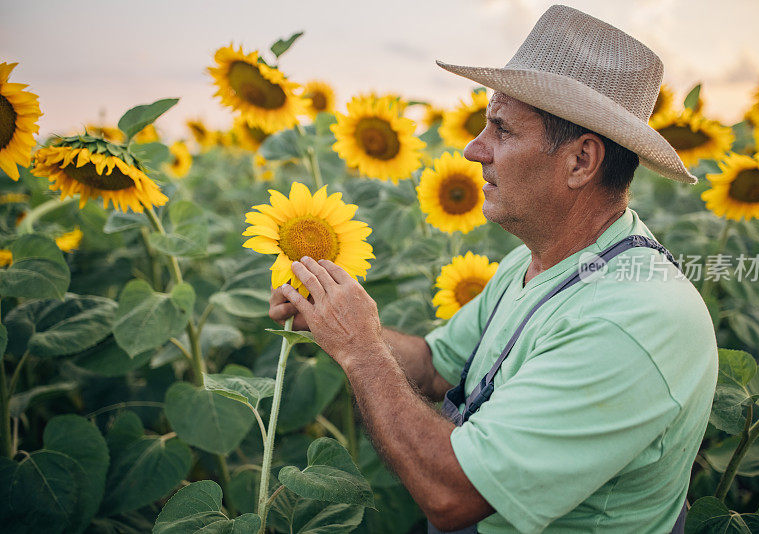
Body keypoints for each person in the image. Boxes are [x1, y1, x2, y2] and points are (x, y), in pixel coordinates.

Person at [268, 4, 718, 533]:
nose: (473, 148)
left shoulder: (634, 320)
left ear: (580, 161)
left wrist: (362, 350)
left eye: (501, 129)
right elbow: (438, 366)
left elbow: (454, 493)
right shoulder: (538, 261)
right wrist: (331, 321)